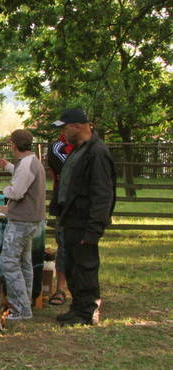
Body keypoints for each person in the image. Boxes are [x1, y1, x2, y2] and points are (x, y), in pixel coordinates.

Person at [51, 108, 116, 326]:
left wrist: (94, 229)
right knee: (72, 266)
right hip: (71, 220)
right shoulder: (79, 150)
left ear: (77, 126)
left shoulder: (97, 152)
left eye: (65, 128)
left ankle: (88, 311)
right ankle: (77, 308)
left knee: (86, 267)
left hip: (84, 222)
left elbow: (102, 194)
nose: (63, 134)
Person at [0, 129, 46, 320]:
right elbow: (23, 175)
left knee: (9, 262)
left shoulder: (26, 165)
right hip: (32, 219)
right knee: (24, 263)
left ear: (14, 145)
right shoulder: (32, 162)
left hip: (21, 220)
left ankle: (20, 308)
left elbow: (16, 191)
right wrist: (8, 166)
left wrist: (4, 190)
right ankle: (25, 303)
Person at [47, 130, 74, 305]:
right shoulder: (58, 146)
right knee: (63, 246)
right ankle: (60, 289)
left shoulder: (91, 148)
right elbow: (69, 169)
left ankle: (82, 291)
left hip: (83, 204)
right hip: (65, 204)